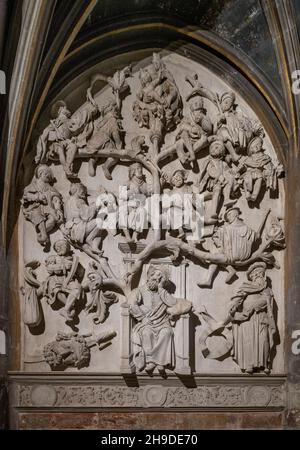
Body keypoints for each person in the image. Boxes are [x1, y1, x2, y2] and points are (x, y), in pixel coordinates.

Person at [129, 265, 192, 375]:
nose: (156, 279)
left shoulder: (162, 292)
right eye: (155, 276)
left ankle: (159, 363)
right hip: (147, 322)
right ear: (149, 276)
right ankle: (150, 361)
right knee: (146, 333)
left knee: (166, 333)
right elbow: (132, 305)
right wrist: (142, 318)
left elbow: (173, 303)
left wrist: (161, 288)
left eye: (160, 278)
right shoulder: (140, 290)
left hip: (162, 323)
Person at [226, 262, 277, 374]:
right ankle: (249, 364)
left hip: (261, 318)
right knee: (248, 341)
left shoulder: (267, 290)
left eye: (261, 274)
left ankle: (264, 363)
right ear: (252, 276)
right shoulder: (246, 287)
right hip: (247, 319)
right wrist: (233, 307)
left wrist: (256, 305)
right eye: (257, 274)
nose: (259, 276)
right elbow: (237, 300)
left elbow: (268, 303)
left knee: (263, 340)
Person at [22, 165, 64, 247]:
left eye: (50, 176)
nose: (49, 177)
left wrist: (58, 210)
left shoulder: (50, 188)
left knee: (53, 218)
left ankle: (41, 233)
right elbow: (26, 195)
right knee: (37, 215)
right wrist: (37, 197)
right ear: (40, 174)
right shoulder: (32, 186)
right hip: (35, 207)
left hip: (48, 208)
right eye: (47, 174)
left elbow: (56, 199)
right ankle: (43, 235)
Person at [42, 239, 82, 322]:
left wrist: (76, 267)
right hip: (56, 280)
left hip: (69, 280)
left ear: (67, 247)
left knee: (77, 289)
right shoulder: (53, 258)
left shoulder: (73, 259)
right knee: (56, 291)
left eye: (62, 246)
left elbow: (81, 273)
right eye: (57, 247)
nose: (59, 248)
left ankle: (66, 309)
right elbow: (49, 269)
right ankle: (71, 307)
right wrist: (63, 266)